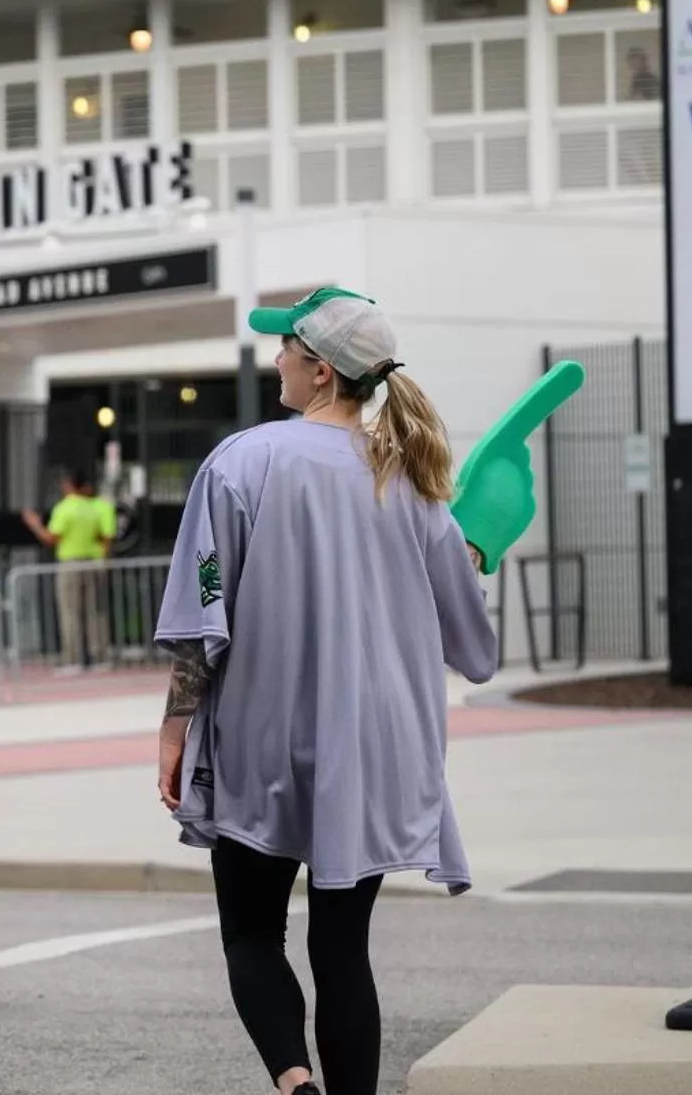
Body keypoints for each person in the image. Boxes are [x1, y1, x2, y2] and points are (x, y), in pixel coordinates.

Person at [153, 286, 496, 1095]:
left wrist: (174, 730)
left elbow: (205, 612)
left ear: (317, 370)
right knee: (343, 947)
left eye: (287, 350)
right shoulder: (412, 483)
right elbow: (474, 648)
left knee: (250, 932)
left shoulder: (241, 462)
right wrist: (469, 556)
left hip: (263, 739)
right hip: (374, 751)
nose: (276, 359)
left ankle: (293, 1079)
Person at [20, 467, 117, 674]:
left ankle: (73, 658)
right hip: (93, 561)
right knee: (96, 610)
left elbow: (51, 538)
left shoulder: (64, 508)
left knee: (70, 612)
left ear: (70, 485)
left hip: (70, 563)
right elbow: (106, 538)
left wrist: (35, 524)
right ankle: (99, 656)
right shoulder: (96, 507)